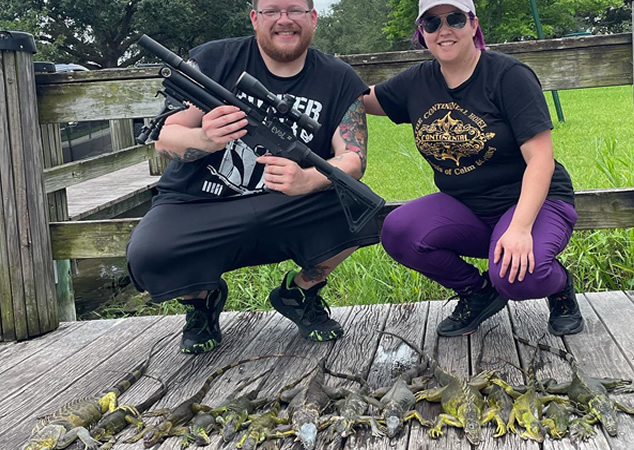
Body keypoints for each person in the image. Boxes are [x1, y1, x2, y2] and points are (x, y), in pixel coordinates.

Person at [126, 0, 380, 354]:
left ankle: (297, 293)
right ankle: (202, 303)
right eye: (273, 11)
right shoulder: (214, 62)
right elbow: (165, 138)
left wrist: (307, 179)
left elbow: (353, 158)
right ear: (255, 18)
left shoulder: (337, 77)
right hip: (200, 203)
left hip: (287, 205)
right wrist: (205, 138)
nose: (284, 20)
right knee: (149, 253)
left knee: (364, 211)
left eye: (295, 11)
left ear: (313, 18)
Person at [363, 0, 583, 337]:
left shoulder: (508, 76)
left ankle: (560, 287)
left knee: (518, 276)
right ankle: (478, 293)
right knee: (398, 230)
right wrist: (314, 77)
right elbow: (361, 99)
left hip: (533, 202)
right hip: (467, 207)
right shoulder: (417, 82)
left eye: (454, 18)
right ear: (422, 32)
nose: (444, 30)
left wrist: (521, 228)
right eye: (432, 23)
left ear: (473, 24)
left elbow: (541, 159)